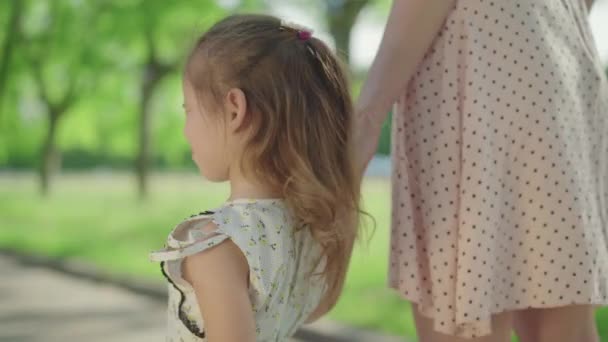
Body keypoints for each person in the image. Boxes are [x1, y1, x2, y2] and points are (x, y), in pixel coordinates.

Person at [355, 0, 607, 341]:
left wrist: (367, 116)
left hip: (477, 68)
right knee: (561, 322)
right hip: (555, 52)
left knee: (467, 324)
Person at [149, 14, 360, 342]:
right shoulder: (309, 226)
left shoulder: (213, 249)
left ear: (234, 110)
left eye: (188, 109)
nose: (186, 129)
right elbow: (316, 308)